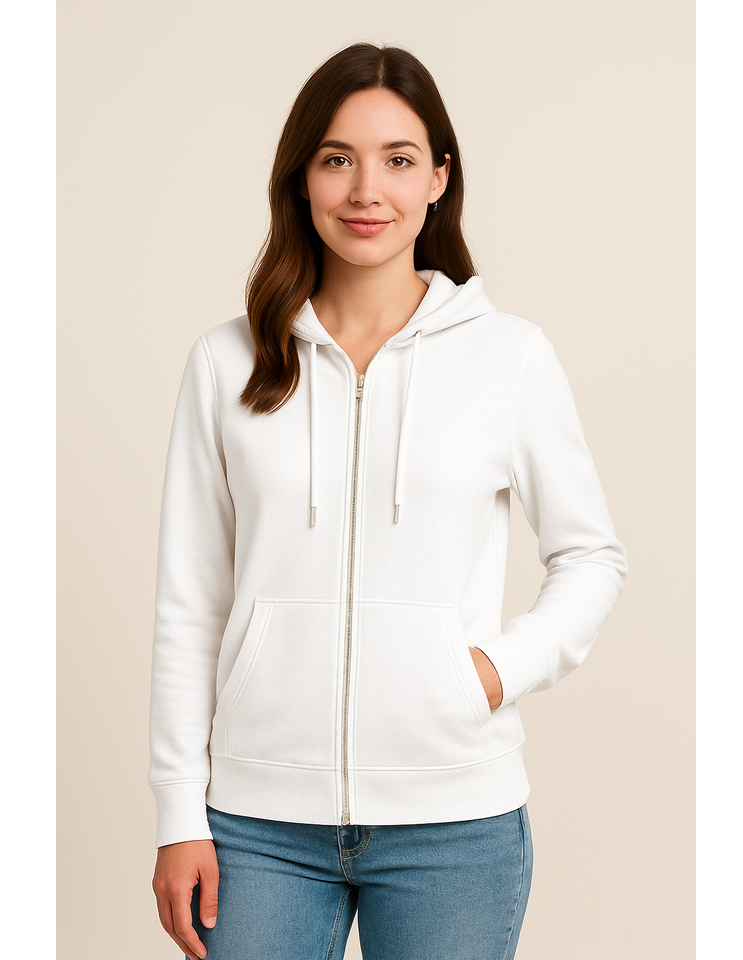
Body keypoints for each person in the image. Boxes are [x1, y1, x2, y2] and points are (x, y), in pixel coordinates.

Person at [149, 42, 627, 960]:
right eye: (338, 159)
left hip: (456, 822)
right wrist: (178, 812)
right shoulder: (226, 362)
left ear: (439, 177)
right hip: (255, 823)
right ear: (302, 178)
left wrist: (496, 669)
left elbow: (591, 556)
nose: (367, 190)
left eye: (398, 159)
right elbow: (189, 603)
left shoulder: (509, 356)